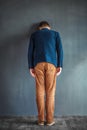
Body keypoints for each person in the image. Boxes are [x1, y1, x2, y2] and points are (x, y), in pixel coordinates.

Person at [28, 21, 63, 126]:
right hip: (52, 64)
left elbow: (30, 51)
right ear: (49, 27)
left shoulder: (34, 35)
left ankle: (40, 120)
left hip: (38, 64)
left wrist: (30, 66)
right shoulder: (55, 34)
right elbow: (60, 50)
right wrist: (60, 65)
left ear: (40, 28)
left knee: (40, 92)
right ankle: (50, 120)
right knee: (50, 93)